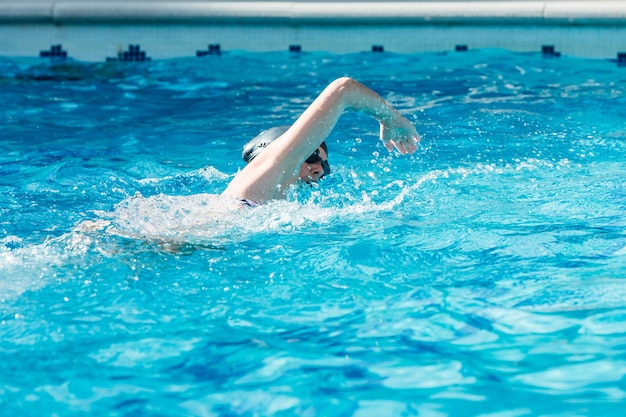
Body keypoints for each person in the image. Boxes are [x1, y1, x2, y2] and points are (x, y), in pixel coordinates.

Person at [222, 77, 420, 206]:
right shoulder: (268, 168)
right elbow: (344, 89)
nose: (318, 170)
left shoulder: (269, 200)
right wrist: (389, 118)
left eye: (324, 166)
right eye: (311, 155)